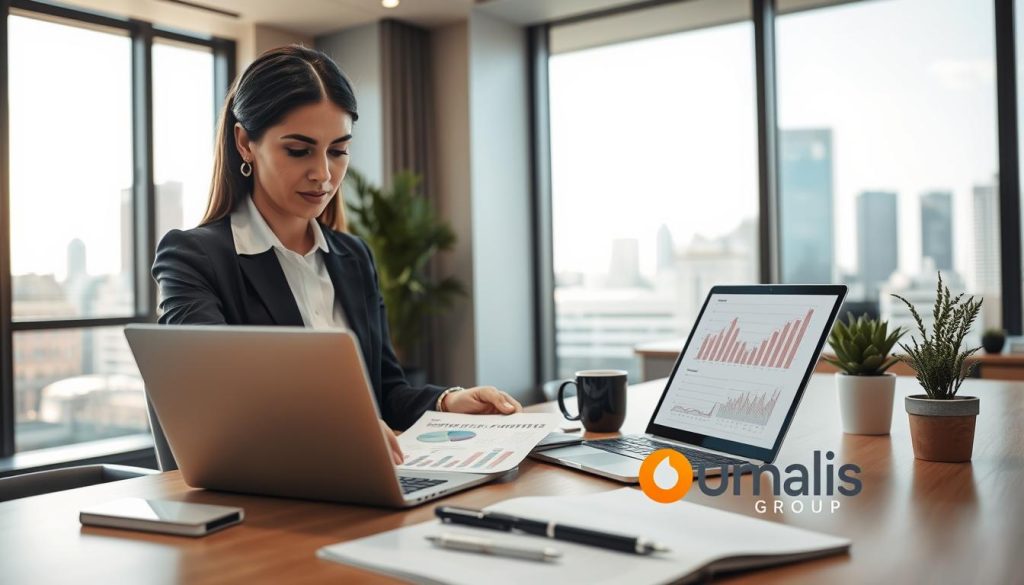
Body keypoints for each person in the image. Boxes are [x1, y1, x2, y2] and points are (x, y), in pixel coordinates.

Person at [152, 45, 522, 465]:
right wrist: (339, 431)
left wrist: (449, 402)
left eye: (338, 150)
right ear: (244, 143)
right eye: (299, 150)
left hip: (362, 483)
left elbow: (385, 392)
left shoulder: (353, 256)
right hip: (267, 492)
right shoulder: (193, 257)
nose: (323, 174)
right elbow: (215, 393)